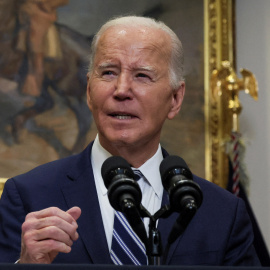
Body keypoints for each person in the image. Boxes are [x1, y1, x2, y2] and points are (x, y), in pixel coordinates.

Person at [0, 15, 260, 265]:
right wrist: (26, 265)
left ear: (175, 99)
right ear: (89, 91)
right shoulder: (28, 196)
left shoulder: (223, 213)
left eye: (142, 75)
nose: (122, 90)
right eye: (109, 73)